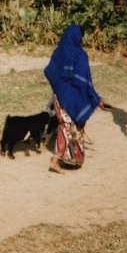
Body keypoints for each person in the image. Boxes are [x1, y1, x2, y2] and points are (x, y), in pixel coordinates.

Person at [44, 24, 105, 173]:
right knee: (70, 128)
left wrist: (59, 87)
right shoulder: (80, 55)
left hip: (59, 97)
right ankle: (55, 160)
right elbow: (85, 81)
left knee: (68, 126)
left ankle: (73, 158)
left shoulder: (58, 52)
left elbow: (49, 72)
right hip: (73, 98)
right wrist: (96, 98)